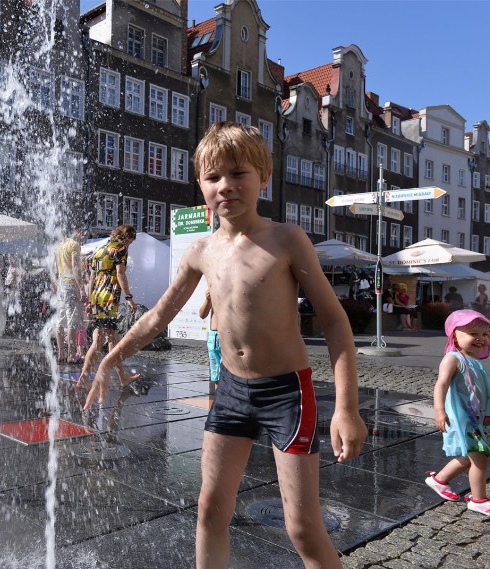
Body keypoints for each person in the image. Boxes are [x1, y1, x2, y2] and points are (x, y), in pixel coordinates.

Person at [82, 122, 366, 568]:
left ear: (264, 178)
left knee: (303, 527)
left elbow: (334, 322)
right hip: (232, 393)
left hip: (286, 393)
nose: (226, 186)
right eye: (213, 177)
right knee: (210, 511)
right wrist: (110, 358)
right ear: (201, 184)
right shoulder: (201, 250)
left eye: (238, 174)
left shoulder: (287, 240)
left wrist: (347, 409)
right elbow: (159, 315)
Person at [424, 309, 490, 517]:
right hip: (464, 417)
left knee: (468, 455)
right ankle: (478, 499)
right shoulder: (454, 358)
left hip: (476, 417)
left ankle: (439, 480)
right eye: (474, 334)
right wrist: (439, 410)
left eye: (485, 334)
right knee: (480, 457)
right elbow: (441, 384)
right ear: (455, 335)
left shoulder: (476, 362)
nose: (480, 339)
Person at [77, 224, 141, 387]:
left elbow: (91, 277)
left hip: (98, 299)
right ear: (127, 237)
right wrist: (128, 297)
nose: (129, 245)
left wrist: (91, 301)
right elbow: (120, 273)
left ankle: (122, 378)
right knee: (98, 341)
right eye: (130, 242)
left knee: (113, 339)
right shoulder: (120, 249)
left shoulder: (100, 250)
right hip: (109, 299)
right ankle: (84, 377)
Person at [54, 228, 86, 364]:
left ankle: (61, 353)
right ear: (75, 231)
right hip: (71, 285)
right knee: (72, 320)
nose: (84, 236)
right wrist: (81, 288)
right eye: (82, 233)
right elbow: (75, 267)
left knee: (60, 320)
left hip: (62, 285)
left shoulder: (60, 245)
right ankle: (71, 354)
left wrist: (55, 286)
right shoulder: (74, 245)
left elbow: (55, 268)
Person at [198, 289, 221, 384]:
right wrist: (208, 300)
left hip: (230, 336)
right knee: (216, 377)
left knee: (231, 376)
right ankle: (218, 398)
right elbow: (202, 314)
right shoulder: (215, 288)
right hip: (215, 336)